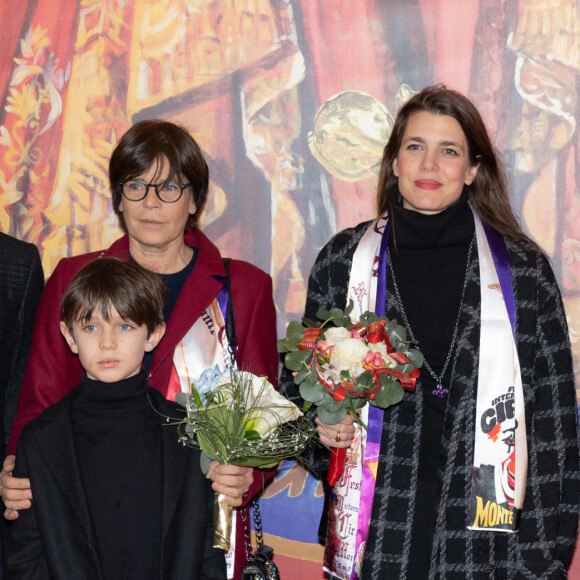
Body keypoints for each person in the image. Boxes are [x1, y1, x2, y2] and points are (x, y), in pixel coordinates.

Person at [281, 86, 579, 578]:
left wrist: (541, 559)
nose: (429, 165)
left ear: (472, 170)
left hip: (491, 549)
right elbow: (298, 395)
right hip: (377, 537)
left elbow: (555, 432)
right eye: (415, 147)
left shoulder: (524, 273)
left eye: (449, 151)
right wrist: (321, 433)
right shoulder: (341, 262)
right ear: (394, 161)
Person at [1, 120, 278, 579]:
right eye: (136, 185)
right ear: (118, 197)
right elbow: (39, 400)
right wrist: (17, 469)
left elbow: (262, 419)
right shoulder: (74, 278)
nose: (151, 202)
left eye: (169, 187)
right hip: (85, 521)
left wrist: (249, 473)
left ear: (195, 199)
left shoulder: (243, 287)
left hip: (194, 529)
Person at [4, 257, 226, 579]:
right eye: (91, 327)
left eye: (124, 326)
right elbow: (25, 560)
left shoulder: (189, 433)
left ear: (153, 334)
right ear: (69, 336)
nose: (107, 343)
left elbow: (208, 552)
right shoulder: (41, 439)